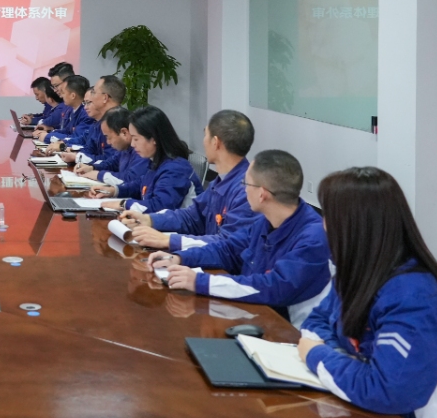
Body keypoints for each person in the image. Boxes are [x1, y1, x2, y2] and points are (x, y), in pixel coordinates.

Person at [298, 168, 437, 418]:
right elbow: (316, 321)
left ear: (355, 225)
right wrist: (343, 358)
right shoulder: (359, 271)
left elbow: (386, 390)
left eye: (328, 216)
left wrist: (317, 354)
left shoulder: (414, 296)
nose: (323, 226)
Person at [147, 150, 331, 328]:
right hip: (255, 316)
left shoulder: (313, 238)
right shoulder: (265, 221)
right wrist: (179, 258)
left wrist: (199, 281)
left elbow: (272, 287)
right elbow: (227, 249)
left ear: (262, 194)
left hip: (291, 334)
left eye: (246, 183)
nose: (244, 189)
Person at [122, 109, 255, 251]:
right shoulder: (221, 181)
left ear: (215, 142)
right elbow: (192, 217)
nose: (203, 142)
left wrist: (169, 241)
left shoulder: (246, 191)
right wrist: (150, 220)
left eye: (205, 135)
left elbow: (227, 245)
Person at [89, 105, 202, 212]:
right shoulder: (157, 160)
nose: (132, 144)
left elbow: (160, 206)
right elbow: (141, 183)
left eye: (136, 139)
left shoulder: (176, 169)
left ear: (154, 139)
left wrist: (123, 204)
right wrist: (115, 191)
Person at [55, 75, 125, 163]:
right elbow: (88, 149)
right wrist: (74, 152)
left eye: (94, 92)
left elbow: (110, 161)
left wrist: (77, 157)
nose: (91, 96)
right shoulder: (99, 122)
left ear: (105, 98)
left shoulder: (118, 123)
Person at [73, 106, 148, 185]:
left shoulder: (141, 151)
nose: (108, 142)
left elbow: (131, 179)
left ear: (124, 133)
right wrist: (92, 167)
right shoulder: (124, 148)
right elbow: (111, 163)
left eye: (108, 137)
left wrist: (99, 175)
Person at [37, 75, 90, 143]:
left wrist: (48, 137)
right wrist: (50, 132)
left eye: (63, 93)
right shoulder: (74, 110)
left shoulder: (86, 113)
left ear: (73, 96)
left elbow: (76, 138)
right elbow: (67, 131)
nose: (61, 96)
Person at [32, 62, 73, 134]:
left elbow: (76, 136)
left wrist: (48, 136)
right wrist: (51, 129)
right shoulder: (66, 106)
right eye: (53, 87)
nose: (54, 90)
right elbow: (67, 131)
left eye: (56, 86)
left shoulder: (82, 108)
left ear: (68, 82)